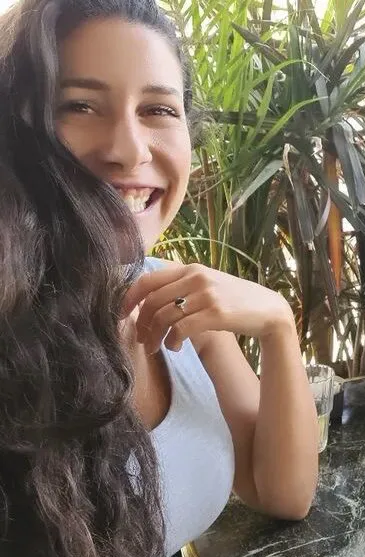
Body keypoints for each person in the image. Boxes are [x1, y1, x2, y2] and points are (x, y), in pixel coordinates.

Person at [0, 0, 319, 556]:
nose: (129, 150)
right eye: (79, 106)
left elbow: (281, 493)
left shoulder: (175, 301)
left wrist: (278, 324)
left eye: (158, 109)